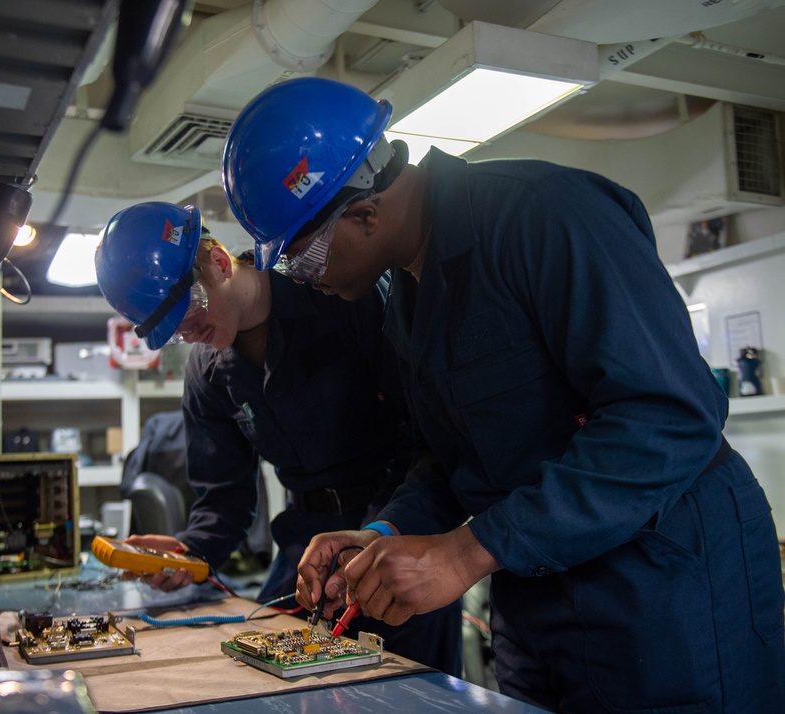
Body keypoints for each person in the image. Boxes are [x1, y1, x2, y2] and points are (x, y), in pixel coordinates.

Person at [220, 76, 785, 713]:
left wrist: (468, 550)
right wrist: (383, 532)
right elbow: (455, 455)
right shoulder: (409, 293)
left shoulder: (546, 215)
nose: (303, 280)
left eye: (301, 259)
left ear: (365, 213)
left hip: (664, 586)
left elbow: (669, 416)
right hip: (536, 591)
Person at [94, 200, 462, 675]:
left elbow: (430, 443)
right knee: (256, 677)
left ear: (220, 263)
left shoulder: (341, 294)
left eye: (187, 310)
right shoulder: (208, 373)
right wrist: (192, 551)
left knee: (411, 693)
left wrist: (380, 531)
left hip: (399, 532)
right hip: (305, 552)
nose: (189, 332)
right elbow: (224, 496)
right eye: (172, 332)